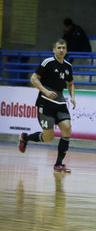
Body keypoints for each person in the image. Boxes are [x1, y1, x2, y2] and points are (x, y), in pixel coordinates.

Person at [18, 39, 76, 173]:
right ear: (53, 50)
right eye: (59, 48)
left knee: (67, 128)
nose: (61, 50)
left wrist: (72, 97)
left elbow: (71, 83)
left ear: (66, 50)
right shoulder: (47, 62)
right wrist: (45, 91)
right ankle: (25, 137)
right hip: (45, 103)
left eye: (64, 48)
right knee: (48, 138)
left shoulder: (68, 66)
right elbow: (33, 78)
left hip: (60, 102)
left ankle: (59, 164)